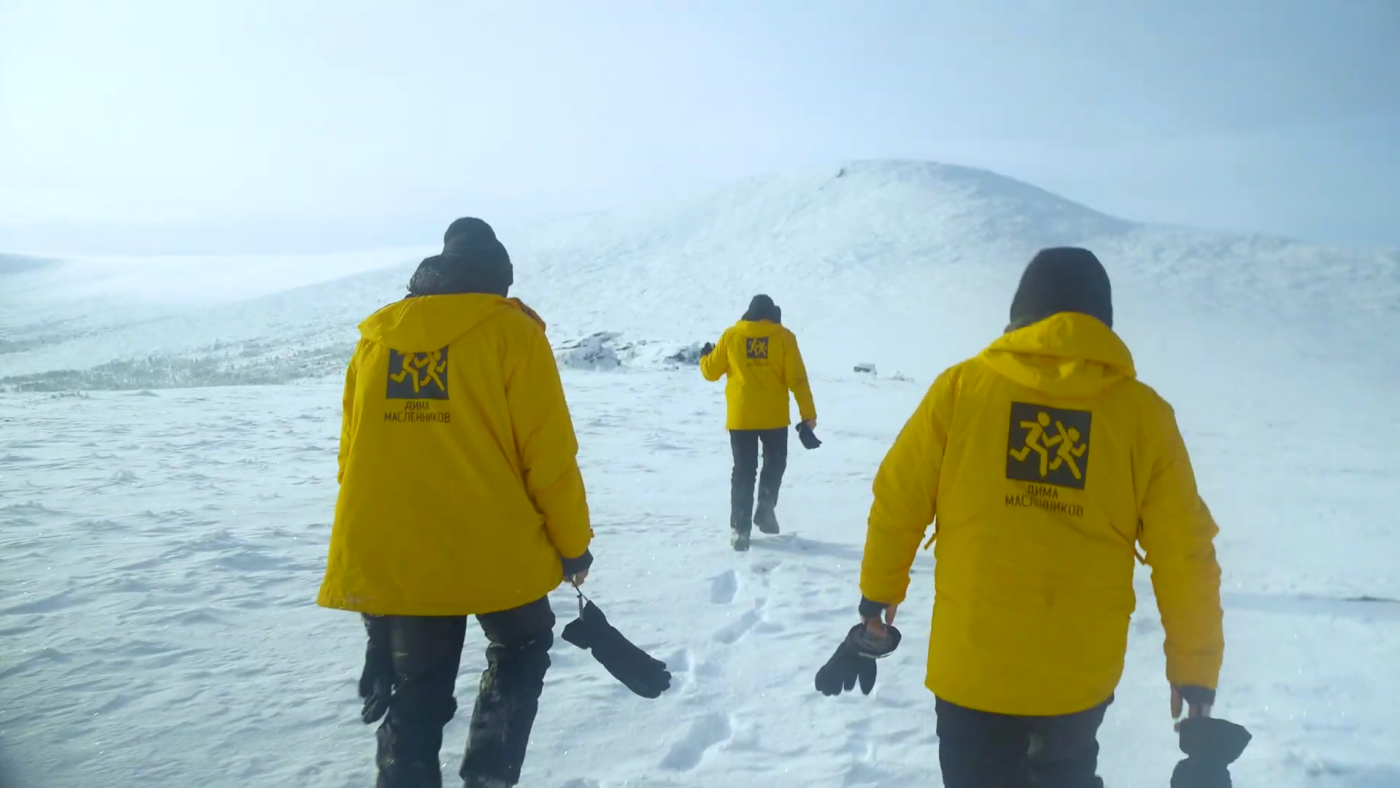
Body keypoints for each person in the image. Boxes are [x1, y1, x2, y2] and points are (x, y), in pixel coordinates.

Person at [841, 248, 1224, 787]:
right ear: (1104, 324)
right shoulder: (1144, 418)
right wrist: (1196, 671)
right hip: (1076, 685)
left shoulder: (960, 390)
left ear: (1020, 315)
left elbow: (897, 500)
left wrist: (877, 600)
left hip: (970, 674)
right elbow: (1187, 557)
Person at [317, 217, 594, 788]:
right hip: (496, 550)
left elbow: (352, 458)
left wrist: (377, 594)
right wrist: (573, 548)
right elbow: (549, 458)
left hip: (403, 556)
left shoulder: (376, 340)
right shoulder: (511, 334)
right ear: (498, 276)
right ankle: (489, 775)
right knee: (522, 642)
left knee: (417, 690)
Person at [700, 294, 817, 551]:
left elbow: (710, 373)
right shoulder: (785, 337)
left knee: (743, 471)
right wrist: (808, 416)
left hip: (741, 419)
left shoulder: (732, 335)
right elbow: (797, 380)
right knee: (774, 463)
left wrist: (705, 356)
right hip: (774, 419)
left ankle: (740, 530)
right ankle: (765, 506)